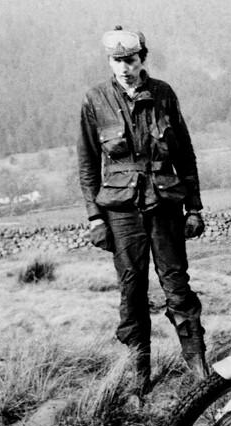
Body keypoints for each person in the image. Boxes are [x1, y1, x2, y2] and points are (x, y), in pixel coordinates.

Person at [78, 26, 209, 399]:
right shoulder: (95, 99)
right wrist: (94, 216)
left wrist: (194, 208)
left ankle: (200, 373)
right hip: (121, 212)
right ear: (109, 62)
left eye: (130, 60)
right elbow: (88, 163)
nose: (124, 67)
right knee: (132, 290)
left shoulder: (164, 93)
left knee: (177, 286)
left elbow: (185, 154)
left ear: (142, 59)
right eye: (116, 61)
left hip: (165, 206)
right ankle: (140, 376)